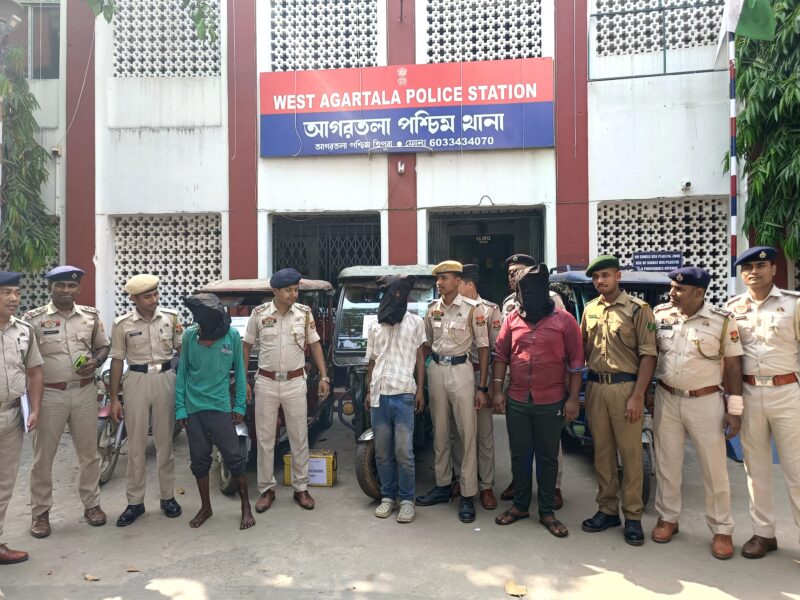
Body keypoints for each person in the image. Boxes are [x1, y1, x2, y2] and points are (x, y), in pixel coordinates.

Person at [651, 266, 743, 560]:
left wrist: (734, 409)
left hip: (705, 401)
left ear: (698, 292)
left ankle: (721, 528)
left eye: (679, 289)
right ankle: (668, 518)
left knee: (714, 468)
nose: (672, 293)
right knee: (666, 462)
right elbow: (652, 355)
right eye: (672, 287)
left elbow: (733, 365)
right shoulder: (661, 315)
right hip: (667, 396)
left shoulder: (721, 320)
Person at [491, 264, 583, 537]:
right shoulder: (512, 319)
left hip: (551, 400)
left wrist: (573, 400)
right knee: (520, 455)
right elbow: (501, 355)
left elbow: (576, 362)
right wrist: (497, 391)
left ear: (546, 289)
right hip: (518, 399)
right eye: (525, 289)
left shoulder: (565, 321)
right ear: (519, 292)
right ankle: (520, 506)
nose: (531, 294)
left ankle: (546, 511)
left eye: (537, 288)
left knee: (547, 457)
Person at [25, 266, 111, 538]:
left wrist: (96, 361)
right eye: (60, 285)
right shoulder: (34, 319)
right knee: (43, 458)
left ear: (78, 288)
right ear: (50, 287)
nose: (66, 290)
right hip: (49, 395)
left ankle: (92, 505)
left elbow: (103, 345)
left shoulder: (90, 316)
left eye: (71, 286)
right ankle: (40, 513)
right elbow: (25, 358)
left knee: (89, 454)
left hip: (84, 392)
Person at [726, 246, 800, 559]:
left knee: (796, 469)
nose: (753, 272)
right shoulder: (733, 308)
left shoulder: (793, 304)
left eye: (760, 266)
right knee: (755, 470)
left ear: (773, 269)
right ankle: (763, 534)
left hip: (787, 392)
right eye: (747, 269)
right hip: (750, 393)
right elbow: (730, 357)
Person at [580, 255, 656, 547]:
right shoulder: (590, 309)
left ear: (618, 276)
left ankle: (633, 516)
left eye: (605, 275)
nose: (600, 281)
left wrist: (638, 395)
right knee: (602, 453)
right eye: (596, 277)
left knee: (631, 454)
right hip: (596, 387)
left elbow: (648, 355)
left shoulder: (638, 309)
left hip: (626, 389)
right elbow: (584, 349)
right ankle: (607, 510)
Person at [243, 268, 330, 512]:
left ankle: (301, 488)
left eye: (296, 290)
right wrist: (243, 380)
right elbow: (246, 346)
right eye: (288, 290)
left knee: (299, 436)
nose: (293, 295)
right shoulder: (259, 314)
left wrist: (324, 376)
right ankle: (266, 489)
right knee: (265, 438)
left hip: (294, 382)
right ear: (275, 291)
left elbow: (315, 344)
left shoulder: (304, 313)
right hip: (266, 383)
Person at [415, 261, 489, 523]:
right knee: (441, 432)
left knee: (467, 433)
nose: (439, 283)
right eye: (438, 279)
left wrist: (482, 386)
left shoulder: (472, 309)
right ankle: (443, 485)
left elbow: (483, 347)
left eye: (444, 278)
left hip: (461, 372)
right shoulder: (432, 309)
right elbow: (425, 345)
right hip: (436, 370)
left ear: (458, 281)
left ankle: (468, 494)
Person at [109, 274, 183, 526]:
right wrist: (115, 398)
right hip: (136, 380)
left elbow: (182, 350)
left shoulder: (171, 318)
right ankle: (135, 502)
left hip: (166, 378)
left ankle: (168, 497)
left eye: (155, 294)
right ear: (134, 299)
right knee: (136, 445)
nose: (154, 299)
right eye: (147, 296)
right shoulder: (122, 324)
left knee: (165, 442)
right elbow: (117, 359)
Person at [175, 294, 254, 530]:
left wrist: (239, 405)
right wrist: (180, 408)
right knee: (199, 461)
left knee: (234, 459)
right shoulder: (190, 336)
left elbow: (240, 373)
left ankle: (246, 506)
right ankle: (205, 507)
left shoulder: (232, 336)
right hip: (194, 409)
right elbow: (182, 374)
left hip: (220, 407)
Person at [499, 253, 566, 508]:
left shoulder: (552, 299)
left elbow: (560, 336)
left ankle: (554, 486)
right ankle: (520, 482)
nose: (512, 276)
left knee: (550, 441)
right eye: (510, 273)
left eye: (517, 271)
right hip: (516, 378)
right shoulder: (509, 303)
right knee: (519, 439)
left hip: (547, 381)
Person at [364, 275, 426, 524]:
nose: (397, 298)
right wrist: (369, 390)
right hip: (379, 395)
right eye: (393, 293)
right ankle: (388, 497)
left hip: (404, 394)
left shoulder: (416, 322)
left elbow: (420, 358)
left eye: (401, 294)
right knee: (382, 452)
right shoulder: (374, 324)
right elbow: (371, 361)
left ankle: (407, 500)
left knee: (403, 451)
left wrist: (420, 391)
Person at [450, 264, 501, 510]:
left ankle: (486, 485)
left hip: (480, 376)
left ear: (468, 284)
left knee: (483, 433)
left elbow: (496, 350)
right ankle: (461, 478)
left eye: (458, 283)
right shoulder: (450, 308)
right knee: (458, 432)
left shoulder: (490, 310)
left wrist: (490, 386)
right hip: (457, 374)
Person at [0, 272, 43, 564]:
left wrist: (35, 409)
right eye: (6, 292)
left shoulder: (24, 330)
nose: (14, 298)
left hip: (11, 414)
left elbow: (35, 371)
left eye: (16, 292)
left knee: (4, 484)